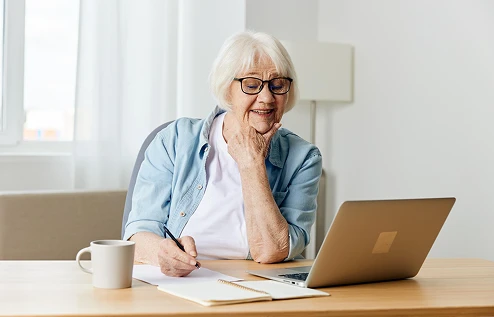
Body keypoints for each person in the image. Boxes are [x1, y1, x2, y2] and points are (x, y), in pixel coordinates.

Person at [124, 31, 322, 277]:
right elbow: (139, 232)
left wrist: (252, 164)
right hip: (181, 280)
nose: (267, 98)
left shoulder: (304, 157)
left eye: (277, 85)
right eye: (251, 85)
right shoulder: (175, 139)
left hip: (260, 285)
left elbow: (272, 251)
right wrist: (161, 253)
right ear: (227, 89)